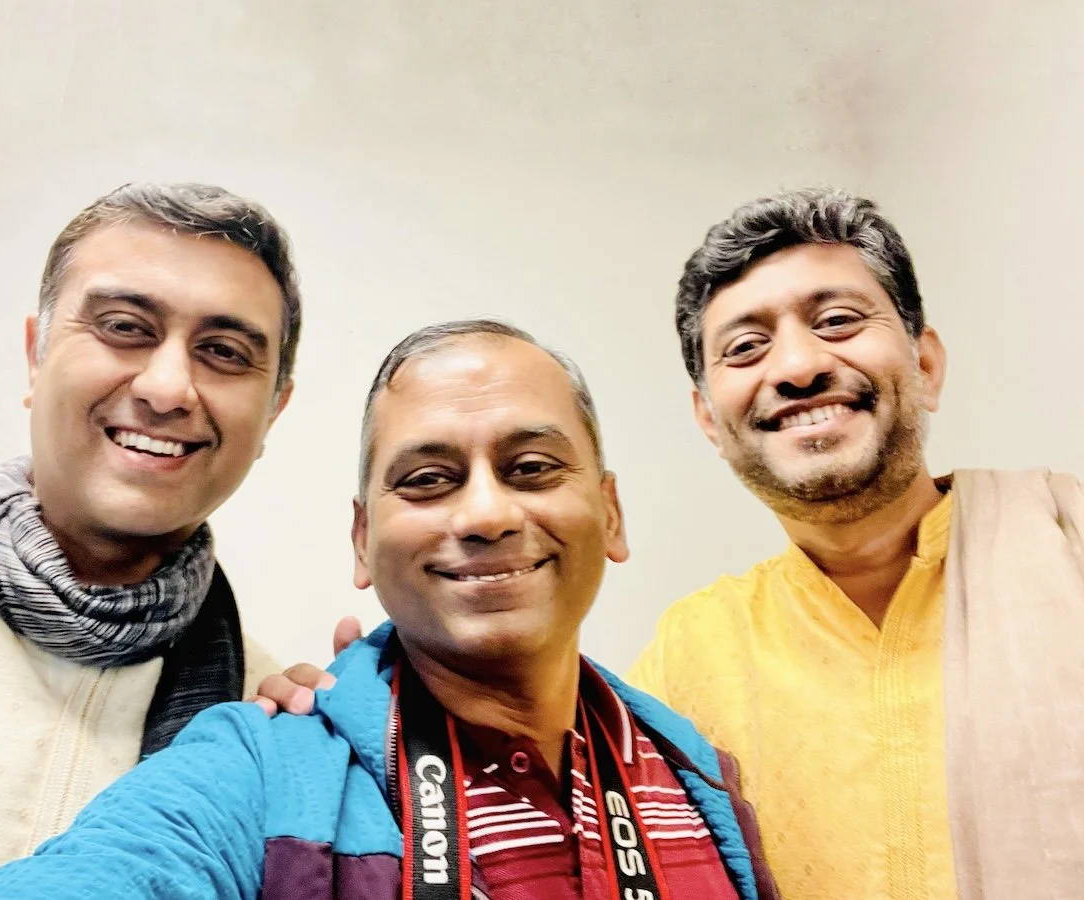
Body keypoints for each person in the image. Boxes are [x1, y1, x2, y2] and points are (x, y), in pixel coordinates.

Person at [262, 190, 1084, 900]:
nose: (797, 365)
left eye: (836, 320)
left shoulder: (1067, 540)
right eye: (746, 347)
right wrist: (350, 709)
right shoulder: (692, 657)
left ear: (926, 363)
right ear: (709, 421)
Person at [0, 320, 781, 900]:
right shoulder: (263, 765)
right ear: (363, 543)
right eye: (428, 480)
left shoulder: (696, 774)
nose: (485, 514)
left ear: (612, 513)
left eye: (531, 469)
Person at [0, 182, 300, 898]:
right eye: (124, 327)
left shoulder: (267, 719)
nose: (168, 388)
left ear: (272, 414)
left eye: (224, 351)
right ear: (36, 355)